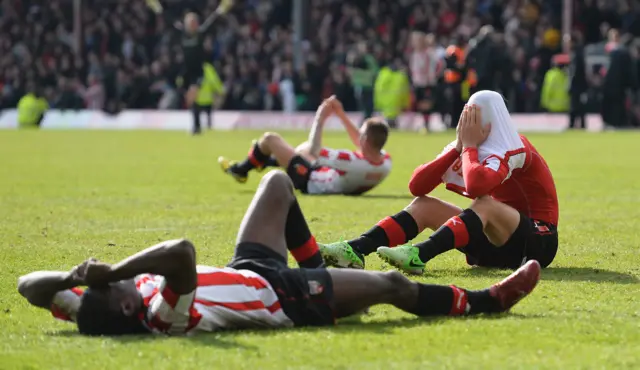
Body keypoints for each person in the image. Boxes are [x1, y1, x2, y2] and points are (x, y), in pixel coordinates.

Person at [17, 170, 541, 336]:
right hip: (286, 298)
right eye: (114, 286)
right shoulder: (162, 315)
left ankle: (319, 267)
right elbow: (180, 252)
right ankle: (484, 302)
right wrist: (117, 267)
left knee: (276, 185)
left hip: (252, 270)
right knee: (392, 288)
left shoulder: (102, 307)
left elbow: (28, 287)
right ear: (130, 306)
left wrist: (69, 277)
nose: (108, 281)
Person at [320, 91, 559, 274]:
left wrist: (470, 147)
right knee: (424, 205)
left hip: (539, 242)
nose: (470, 124)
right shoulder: (469, 143)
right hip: (497, 243)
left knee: (484, 203)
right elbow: (417, 186)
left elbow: (477, 187)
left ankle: (419, 255)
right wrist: (457, 148)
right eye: (468, 117)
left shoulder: (515, 147)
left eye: (475, 119)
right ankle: (356, 249)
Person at [218, 96, 392, 195]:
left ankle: (241, 169)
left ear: (365, 141)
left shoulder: (350, 161)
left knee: (270, 139)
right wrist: (340, 114)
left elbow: (314, 150)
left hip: (309, 179)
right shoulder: (385, 163)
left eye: (360, 134)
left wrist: (320, 117)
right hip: (332, 179)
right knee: (299, 150)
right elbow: (362, 141)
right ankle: (264, 161)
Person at [174, 0, 233, 134]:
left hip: (197, 71)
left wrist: (223, 8)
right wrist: (155, 6)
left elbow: (213, 20)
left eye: (195, 23)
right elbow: (167, 19)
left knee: (193, 94)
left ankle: (196, 127)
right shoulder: (181, 33)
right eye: (190, 23)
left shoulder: (201, 34)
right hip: (185, 72)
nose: (193, 26)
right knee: (190, 100)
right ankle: (197, 126)